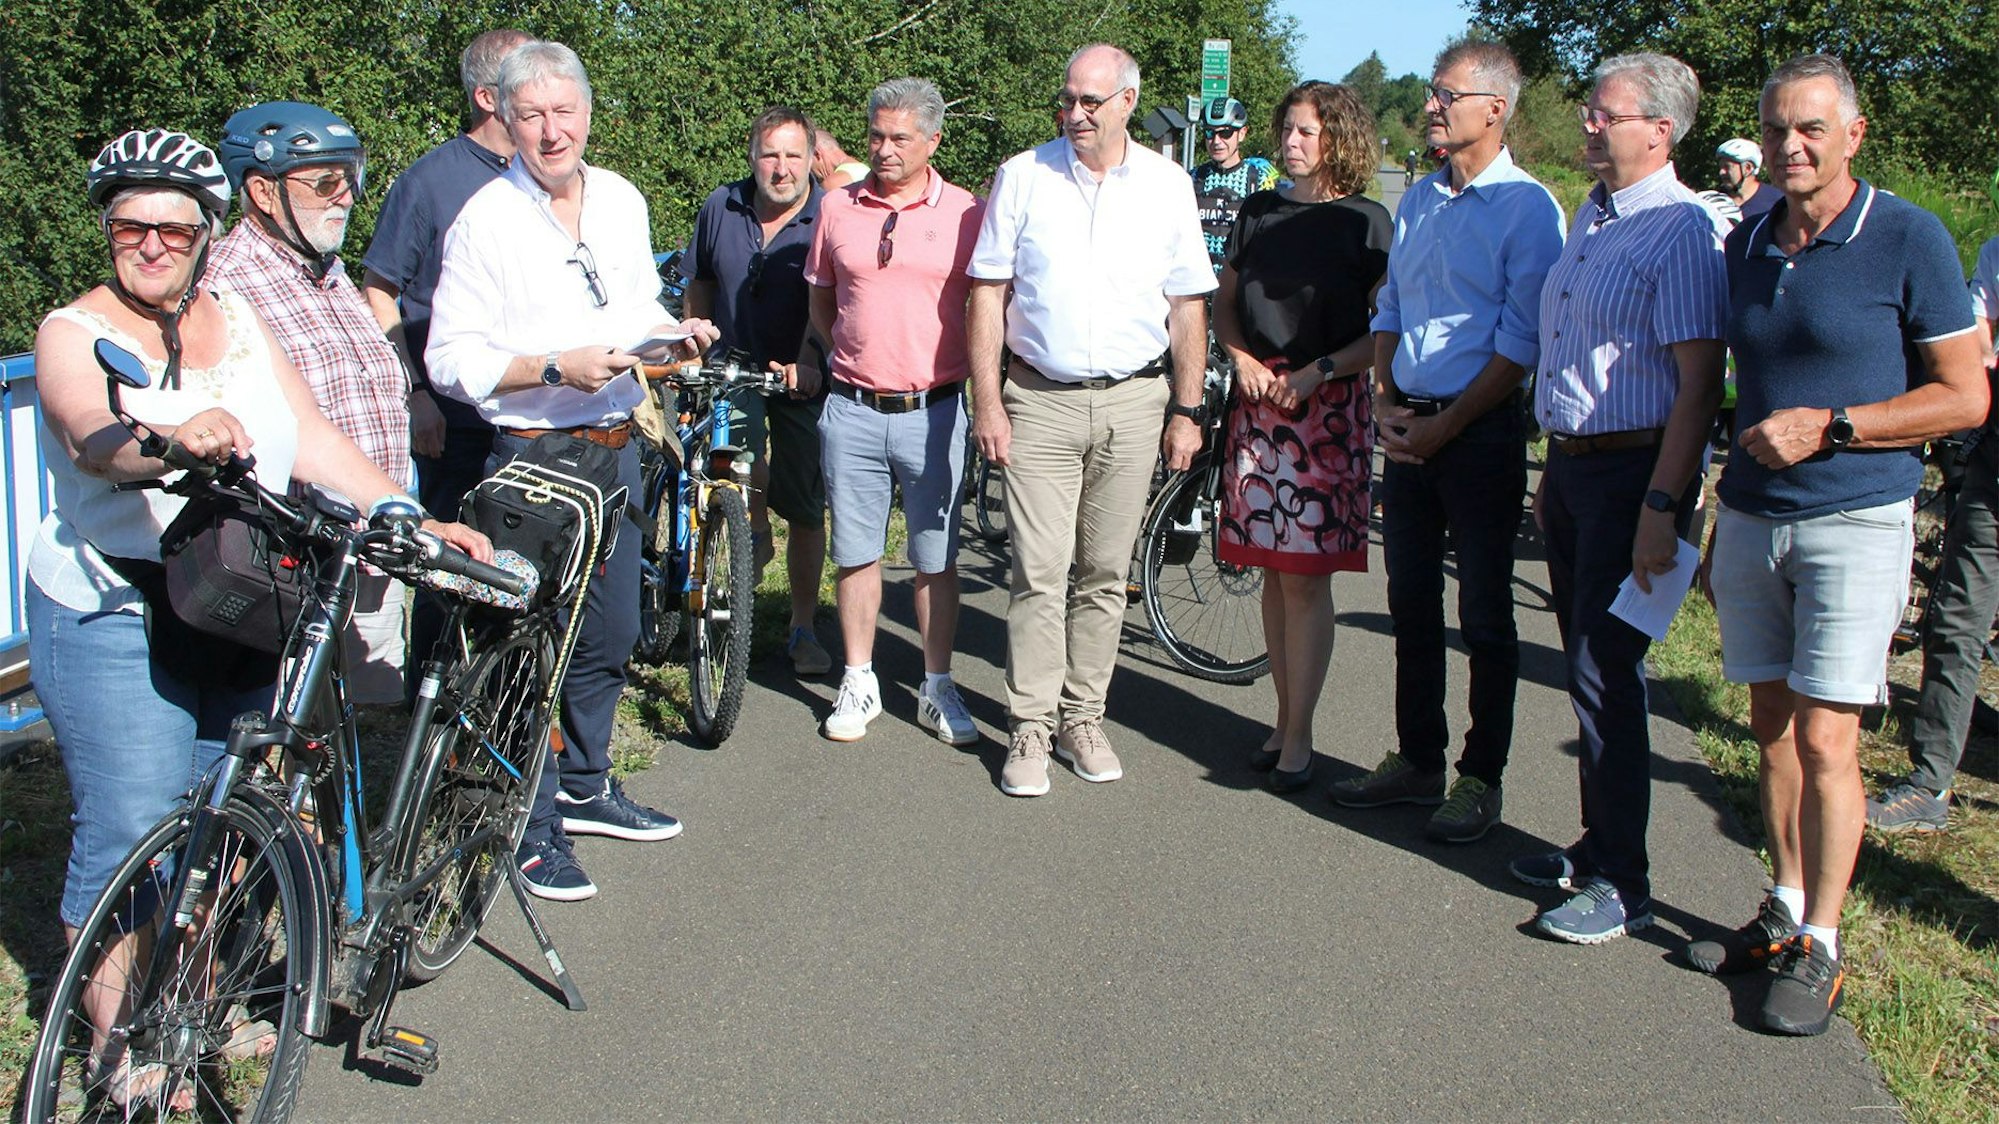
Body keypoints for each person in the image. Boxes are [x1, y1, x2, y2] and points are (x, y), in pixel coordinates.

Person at [30, 128, 490, 1107]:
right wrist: (165, 439)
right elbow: (89, 429)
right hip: (118, 599)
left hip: (236, 593)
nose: (151, 244)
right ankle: (129, 1056)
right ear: (108, 232)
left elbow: (309, 434)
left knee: (223, 821)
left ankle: (189, 1006)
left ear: (206, 234)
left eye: (173, 228)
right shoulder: (72, 328)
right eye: (130, 227)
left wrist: (406, 513)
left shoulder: (233, 311)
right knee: (133, 829)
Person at [1700, 54, 1986, 1036]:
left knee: (1828, 736)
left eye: (1811, 128)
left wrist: (1834, 425)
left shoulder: (1906, 236)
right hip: (1751, 511)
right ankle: (1783, 902)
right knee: (1769, 722)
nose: (1791, 145)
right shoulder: (1743, 238)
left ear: (1853, 136)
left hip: (1853, 515)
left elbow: (1964, 392)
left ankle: (1822, 940)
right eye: (1777, 128)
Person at [426, 40, 718, 901]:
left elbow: (628, 307)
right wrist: (554, 367)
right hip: (532, 461)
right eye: (531, 116)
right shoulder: (485, 219)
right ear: (503, 120)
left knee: (611, 636)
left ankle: (587, 785)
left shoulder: (620, 197)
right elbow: (449, 358)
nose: (551, 132)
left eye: (565, 113)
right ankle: (528, 824)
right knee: (529, 650)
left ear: (588, 112)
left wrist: (673, 336)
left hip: (617, 445)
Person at [1513, 53, 1729, 944]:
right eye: (1592, 112)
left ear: (1659, 129)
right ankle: (1600, 842)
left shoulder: (1678, 231)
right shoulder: (1595, 216)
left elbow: (1697, 383)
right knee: (1583, 666)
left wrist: (1661, 503)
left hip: (1633, 475)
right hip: (1573, 468)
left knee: (1609, 674)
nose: (1589, 125)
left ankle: (1624, 883)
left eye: (1607, 115)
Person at [1329, 41, 1563, 842]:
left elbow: (1519, 340)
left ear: (1493, 110)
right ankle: (1418, 759)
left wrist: (1444, 424)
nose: (1431, 106)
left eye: (1445, 94)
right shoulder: (1423, 199)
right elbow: (1391, 307)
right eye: (1431, 93)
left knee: (1487, 614)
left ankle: (1480, 775)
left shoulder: (1528, 209)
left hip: (1479, 432)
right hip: (1409, 423)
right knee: (1410, 602)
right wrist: (1387, 400)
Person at [968, 43, 1215, 797]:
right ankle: (1030, 729)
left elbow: (1187, 307)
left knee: (1106, 572)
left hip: (1136, 402)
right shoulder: (1022, 176)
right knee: (1039, 573)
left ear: (1128, 102)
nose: (1074, 114)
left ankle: (1083, 716)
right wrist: (987, 401)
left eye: (1090, 102)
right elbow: (986, 296)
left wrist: (1186, 408)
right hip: (1038, 400)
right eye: (1067, 100)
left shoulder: (1168, 186)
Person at [1211, 81, 1390, 794]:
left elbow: (1384, 330)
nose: (1290, 141)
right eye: (1286, 128)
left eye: (1306, 131)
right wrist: (1241, 358)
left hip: (1327, 411)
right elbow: (1223, 302)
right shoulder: (1256, 211)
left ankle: (1301, 736)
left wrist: (1318, 371)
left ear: (1337, 139)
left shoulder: (1366, 222)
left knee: (1305, 579)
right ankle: (1281, 722)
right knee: (1270, 572)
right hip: (1259, 407)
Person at [208, 100, 413, 705]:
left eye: (353, 176)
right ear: (262, 192)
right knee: (288, 727)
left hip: (367, 542)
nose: (347, 195)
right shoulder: (225, 281)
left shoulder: (327, 271)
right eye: (326, 180)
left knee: (359, 721)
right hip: (294, 555)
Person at [802, 77, 985, 744]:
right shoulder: (836, 208)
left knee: (935, 557)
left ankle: (937, 685)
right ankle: (858, 677)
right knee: (855, 554)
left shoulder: (967, 213)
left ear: (932, 142)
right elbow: (822, 297)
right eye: (876, 135)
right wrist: (843, 351)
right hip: (850, 408)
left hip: (933, 411)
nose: (883, 149)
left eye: (899, 138)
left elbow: (989, 308)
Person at [361, 28, 532, 686]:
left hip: (530, 413)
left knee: (518, 567)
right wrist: (415, 395)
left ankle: (506, 704)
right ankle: (428, 723)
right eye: (527, 85)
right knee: (446, 567)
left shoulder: (542, 176)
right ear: (489, 97)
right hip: (455, 417)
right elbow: (379, 289)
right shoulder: (430, 182)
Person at [682, 104, 834, 677]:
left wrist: (811, 356)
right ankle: (749, 543)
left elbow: (840, 298)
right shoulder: (721, 205)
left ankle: (801, 626)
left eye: (794, 155)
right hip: (731, 367)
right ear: (752, 155)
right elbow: (699, 281)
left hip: (803, 374)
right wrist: (692, 341)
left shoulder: (830, 212)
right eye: (770, 153)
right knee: (732, 476)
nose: (781, 167)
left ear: (812, 159)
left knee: (805, 506)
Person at [1869, 227, 1999, 833]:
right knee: (1955, 621)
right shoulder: (1997, 248)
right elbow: (1977, 342)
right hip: (1993, 475)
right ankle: (1931, 783)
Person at [1191, 96, 1279, 274]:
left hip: (1239, 285)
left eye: (1225, 133)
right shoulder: (1192, 178)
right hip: (1198, 285)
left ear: (1242, 133)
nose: (1216, 141)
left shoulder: (1259, 180)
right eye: (1209, 133)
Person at [1716, 136, 1782, 222]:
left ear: (1748, 168)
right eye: (1720, 167)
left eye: (1727, 167)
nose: (1721, 172)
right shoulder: (1716, 202)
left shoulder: (1777, 202)